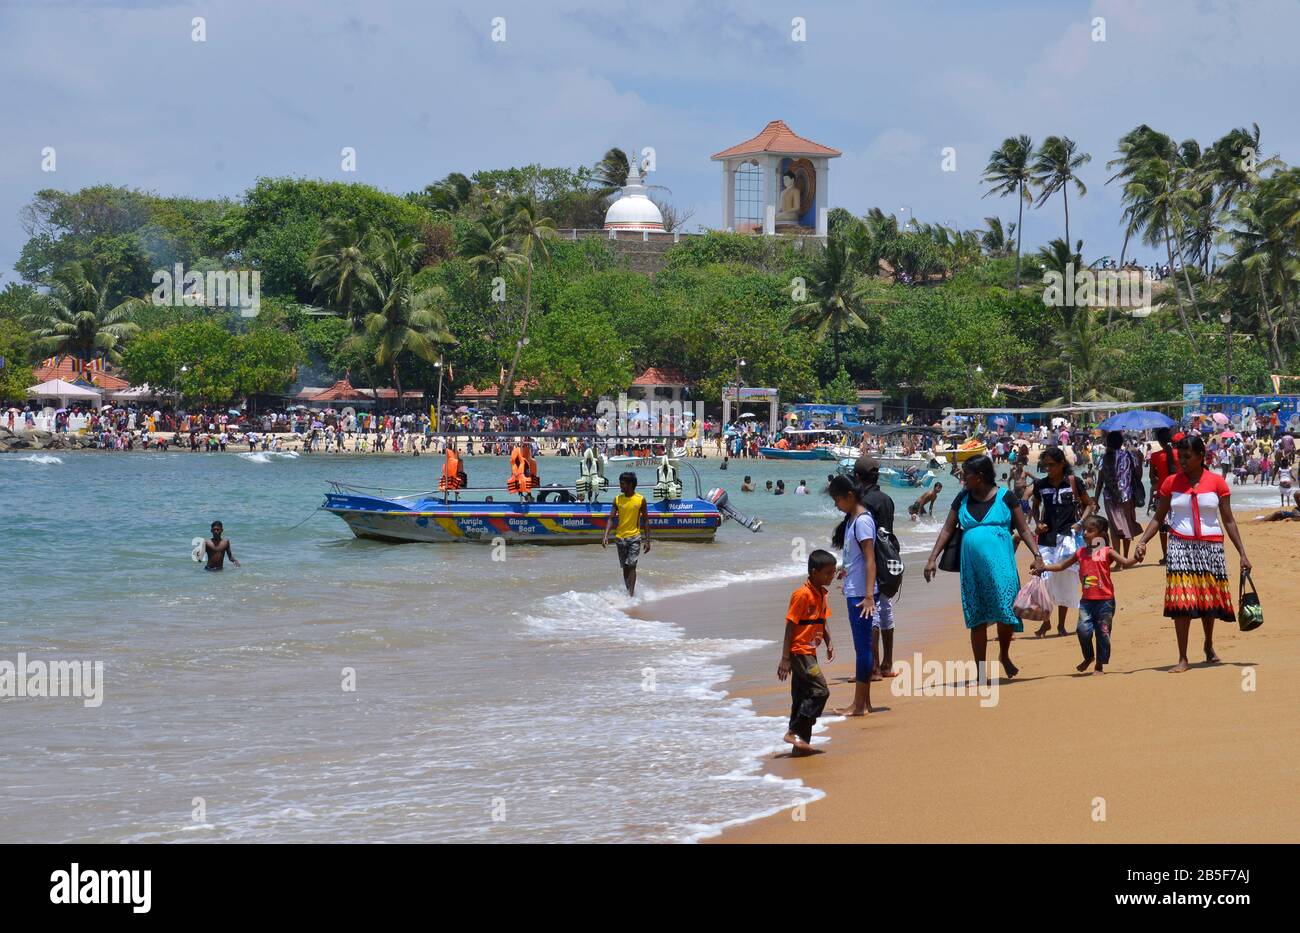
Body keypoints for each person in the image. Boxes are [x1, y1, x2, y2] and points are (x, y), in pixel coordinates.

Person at [1135, 435, 1251, 673]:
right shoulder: (1170, 483)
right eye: (1180, 457)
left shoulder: (1217, 483)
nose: (1182, 461)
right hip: (1180, 546)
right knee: (1182, 600)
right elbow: (1158, 516)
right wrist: (1143, 541)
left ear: (1201, 457)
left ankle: (1208, 644)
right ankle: (1183, 657)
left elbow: (1228, 520)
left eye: (1187, 457)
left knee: (1208, 599)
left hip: (1211, 547)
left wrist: (1242, 553)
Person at [923, 454, 1043, 681]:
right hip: (972, 568)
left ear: (979, 477)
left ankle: (1004, 655)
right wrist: (932, 559)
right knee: (976, 616)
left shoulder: (1005, 497)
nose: (962, 479)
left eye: (965, 475)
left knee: (1006, 611)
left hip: (1002, 564)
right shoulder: (962, 499)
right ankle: (980, 672)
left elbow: (1024, 529)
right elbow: (947, 530)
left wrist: (1037, 555)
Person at [1035, 515, 1137, 673]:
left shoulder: (1106, 551)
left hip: (1105, 601)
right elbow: (1061, 565)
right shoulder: (1080, 552)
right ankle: (1089, 656)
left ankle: (1099, 665)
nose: (1085, 533)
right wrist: (1044, 568)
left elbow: (1125, 562)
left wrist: (1137, 557)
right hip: (1087, 602)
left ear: (1101, 534)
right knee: (1083, 631)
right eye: (1084, 530)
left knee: (1103, 633)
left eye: (1090, 531)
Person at [778, 550, 837, 755]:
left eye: (833, 572)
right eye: (828, 573)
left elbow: (823, 619)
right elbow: (790, 625)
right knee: (821, 691)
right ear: (814, 572)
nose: (832, 576)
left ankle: (800, 747)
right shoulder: (801, 594)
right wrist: (785, 658)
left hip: (810, 651)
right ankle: (793, 731)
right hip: (799, 652)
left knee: (802, 696)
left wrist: (829, 642)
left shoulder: (821, 592)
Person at [1031, 446, 1093, 637]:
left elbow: (1089, 505)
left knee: (1065, 580)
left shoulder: (1074, 482)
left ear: (1061, 464)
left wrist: (1080, 523)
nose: (1047, 469)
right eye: (1045, 465)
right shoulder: (1040, 485)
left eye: (1051, 465)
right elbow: (1034, 507)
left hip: (1068, 537)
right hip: (1046, 538)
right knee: (1042, 578)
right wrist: (1038, 522)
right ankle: (1046, 621)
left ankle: (1061, 625)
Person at [828, 475, 876, 715]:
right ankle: (863, 702)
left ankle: (859, 705)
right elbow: (857, 558)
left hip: (862, 595)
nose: (836, 505)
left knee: (863, 648)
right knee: (862, 647)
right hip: (854, 589)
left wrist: (868, 595)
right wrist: (844, 571)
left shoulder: (862, 521)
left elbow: (870, 559)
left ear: (849, 496)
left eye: (837, 500)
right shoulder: (852, 520)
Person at [854, 456, 898, 680]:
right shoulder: (886, 498)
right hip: (889, 556)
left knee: (870, 613)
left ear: (858, 477)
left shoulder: (863, 501)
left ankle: (873, 668)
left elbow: (864, 538)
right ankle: (887, 664)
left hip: (870, 559)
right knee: (885, 609)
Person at [602, 471, 650, 596]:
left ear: (630, 484)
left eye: (622, 484)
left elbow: (646, 520)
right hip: (620, 538)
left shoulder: (640, 500)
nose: (620, 486)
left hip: (634, 537)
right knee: (625, 567)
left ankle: (630, 595)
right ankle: (628, 590)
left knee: (632, 565)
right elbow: (611, 518)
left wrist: (647, 540)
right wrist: (606, 536)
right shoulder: (617, 499)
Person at [1095, 430, 1142, 558]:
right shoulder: (1129, 455)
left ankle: (1119, 560)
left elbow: (1100, 481)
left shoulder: (1103, 458)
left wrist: (1095, 500)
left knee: (1114, 527)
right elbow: (1138, 475)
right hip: (1127, 495)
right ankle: (1125, 558)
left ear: (1107, 443)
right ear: (1121, 443)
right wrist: (1140, 460)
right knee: (1127, 525)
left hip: (1109, 497)